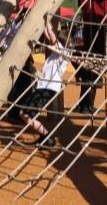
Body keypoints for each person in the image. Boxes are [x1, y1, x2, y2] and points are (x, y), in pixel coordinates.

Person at [16, 20, 67, 148]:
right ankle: (45, 136)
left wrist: (47, 20)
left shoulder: (63, 52)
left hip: (48, 89)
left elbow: (52, 36)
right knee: (24, 113)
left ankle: (47, 137)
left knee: (25, 114)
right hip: (43, 88)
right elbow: (49, 35)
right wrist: (43, 22)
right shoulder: (55, 55)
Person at [75, 0, 107, 113]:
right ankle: (83, 103)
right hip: (88, 28)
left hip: (99, 27)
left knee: (96, 65)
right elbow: (82, 5)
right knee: (87, 65)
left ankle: (89, 103)